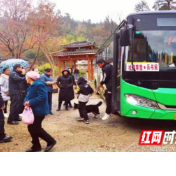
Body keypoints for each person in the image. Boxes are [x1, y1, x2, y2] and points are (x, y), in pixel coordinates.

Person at [24, 71, 56, 152]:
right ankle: (36, 146)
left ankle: (51, 141)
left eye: (26, 77)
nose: (25, 78)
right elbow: (27, 96)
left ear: (30, 78)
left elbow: (42, 97)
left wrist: (30, 102)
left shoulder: (39, 84)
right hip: (33, 110)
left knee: (36, 128)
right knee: (31, 128)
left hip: (39, 110)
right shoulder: (31, 85)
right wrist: (25, 102)